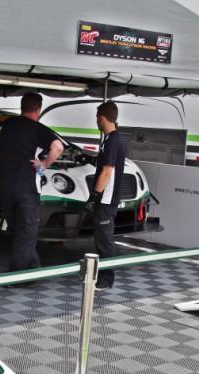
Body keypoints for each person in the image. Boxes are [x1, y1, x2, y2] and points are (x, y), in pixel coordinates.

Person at [0, 92, 64, 274]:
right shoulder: (36, 128)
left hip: (5, 186)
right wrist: (44, 164)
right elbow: (58, 147)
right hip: (26, 188)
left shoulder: (7, 125)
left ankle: (34, 270)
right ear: (38, 109)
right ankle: (16, 277)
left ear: (22, 106)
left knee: (19, 231)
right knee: (26, 233)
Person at [92, 101, 126, 290]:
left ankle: (106, 281)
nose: (96, 120)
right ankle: (103, 277)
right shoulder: (114, 139)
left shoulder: (113, 141)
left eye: (97, 117)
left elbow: (107, 172)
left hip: (106, 199)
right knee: (102, 239)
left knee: (104, 241)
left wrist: (94, 194)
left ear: (102, 118)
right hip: (108, 199)